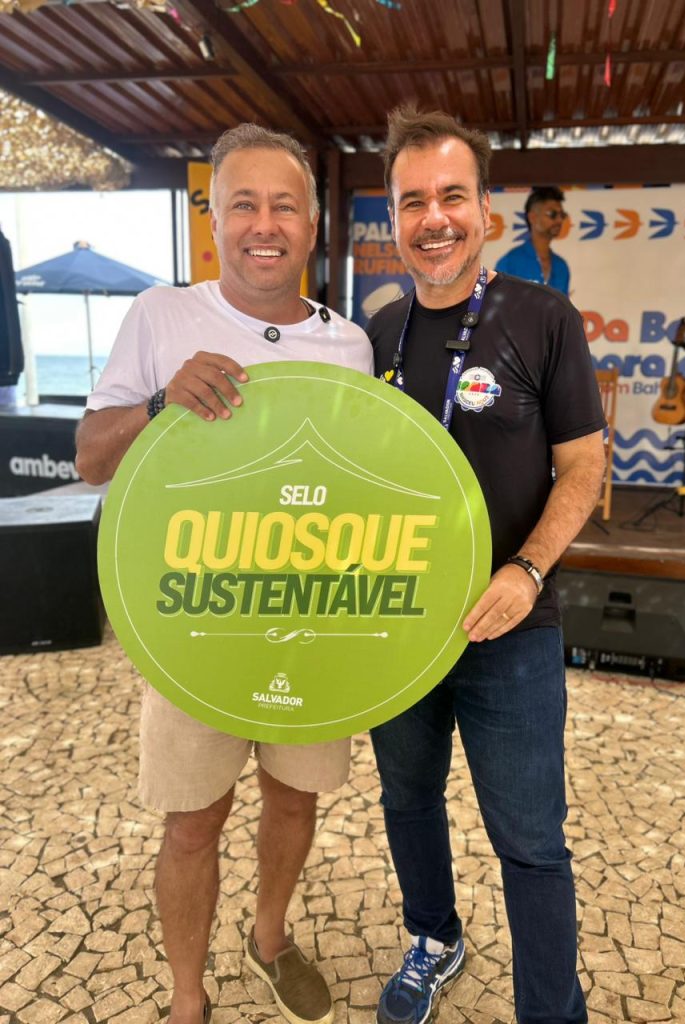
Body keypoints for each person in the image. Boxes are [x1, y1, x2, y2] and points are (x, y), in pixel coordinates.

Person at [75, 124, 373, 1024]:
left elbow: (363, 490)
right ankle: (186, 998)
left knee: (295, 800)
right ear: (215, 221)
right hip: (192, 624)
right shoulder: (160, 315)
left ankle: (268, 940)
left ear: (313, 224)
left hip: (309, 622)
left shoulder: (351, 346)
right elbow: (90, 459)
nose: (263, 224)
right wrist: (161, 401)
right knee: (192, 820)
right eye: (243, 204)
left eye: (284, 205)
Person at [365, 106, 606, 1024]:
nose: (434, 218)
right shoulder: (377, 335)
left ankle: (551, 1010)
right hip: (399, 630)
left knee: (532, 841)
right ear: (393, 217)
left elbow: (583, 466)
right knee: (407, 799)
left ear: (485, 208)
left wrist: (528, 570)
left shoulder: (543, 318)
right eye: (413, 200)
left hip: (512, 629)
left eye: (452, 196)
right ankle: (434, 938)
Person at [495, 185, 571, 295]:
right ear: (532, 217)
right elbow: (496, 303)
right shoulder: (510, 262)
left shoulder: (561, 266)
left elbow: (563, 306)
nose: (559, 220)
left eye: (562, 215)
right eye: (553, 214)